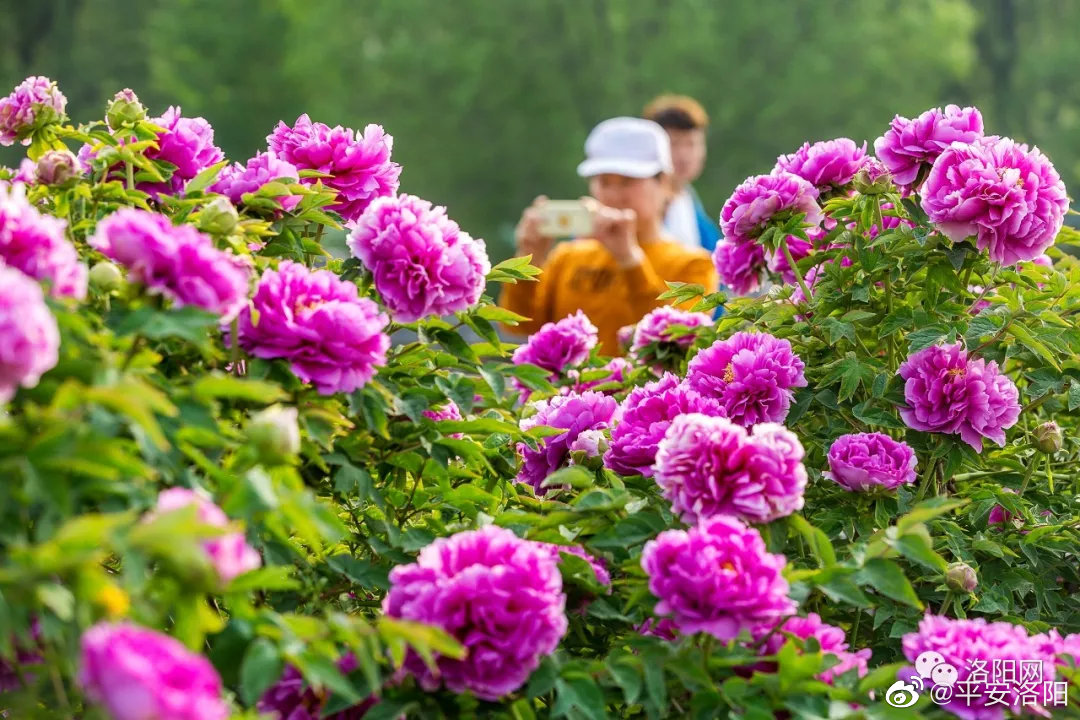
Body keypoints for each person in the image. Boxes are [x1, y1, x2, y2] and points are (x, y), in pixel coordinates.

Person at [500, 117, 717, 354]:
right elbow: (517, 324)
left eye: (627, 182)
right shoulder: (567, 257)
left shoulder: (695, 264)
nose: (614, 195)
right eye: (604, 182)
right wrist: (530, 257)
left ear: (663, 182)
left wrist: (629, 260)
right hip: (570, 389)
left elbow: (677, 342)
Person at [643, 94, 720, 252]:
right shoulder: (639, 202)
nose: (684, 155)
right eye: (674, 144)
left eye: (691, 144)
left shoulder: (689, 200)